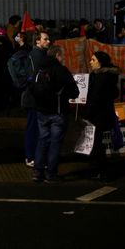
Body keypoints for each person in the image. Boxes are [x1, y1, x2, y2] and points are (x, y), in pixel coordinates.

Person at [32, 45, 79, 183]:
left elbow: (31, 88)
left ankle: (37, 171)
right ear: (57, 55)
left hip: (41, 111)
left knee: (42, 140)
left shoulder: (38, 69)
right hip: (58, 112)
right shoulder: (61, 70)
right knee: (55, 143)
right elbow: (74, 92)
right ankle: (51, 173)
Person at [84, 51, 120, 180]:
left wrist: (87, 114)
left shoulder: (101, 78)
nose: (90, 62)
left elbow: (95, 98)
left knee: (96, 144)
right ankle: (100, 170)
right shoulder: (108, 76)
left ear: (100, 62)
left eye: (93, 60)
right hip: (105, 113)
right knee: (97, 143)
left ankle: (100, 171)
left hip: (98, 115)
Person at [22, 31, 51, 167]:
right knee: (33, 128)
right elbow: (33, 78)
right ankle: (30, 157)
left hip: (36, 97)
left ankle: (34, 156)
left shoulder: (40, 55)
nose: (48, 41)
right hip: (34, 99)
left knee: (37, 128)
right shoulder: (36, 56)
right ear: (37, 41)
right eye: (45, 39)